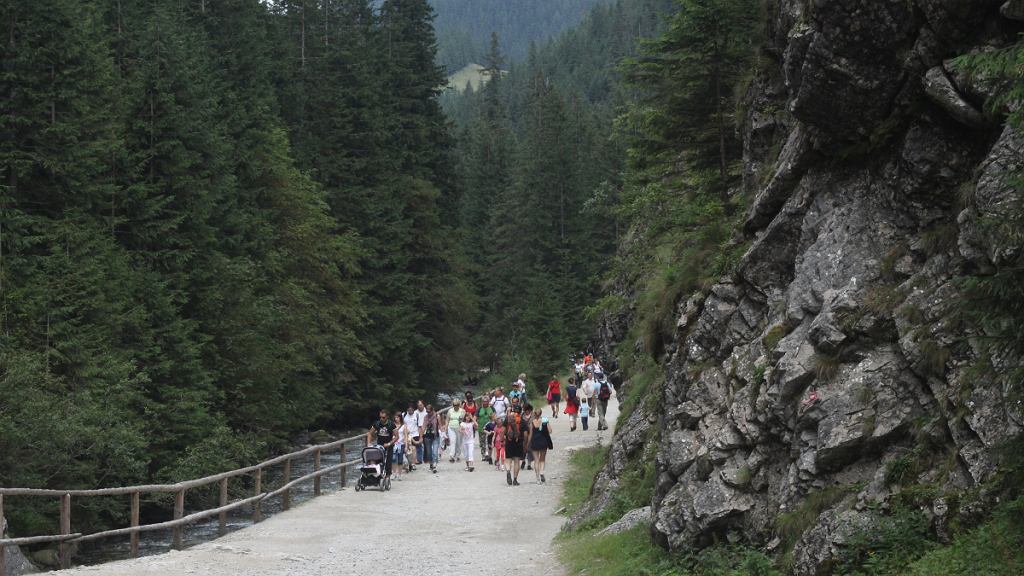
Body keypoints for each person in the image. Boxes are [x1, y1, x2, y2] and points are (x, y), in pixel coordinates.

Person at [366, 409, 397, 477]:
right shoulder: (377, 423)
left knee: (388, 461)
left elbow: (397, 436)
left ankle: (388, 476)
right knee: (377, 460)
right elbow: (369, 433)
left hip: (389, 445)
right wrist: (369, 443)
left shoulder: (391, 424)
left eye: (383, 417)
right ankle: (377, 474)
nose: (381, 419)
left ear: (387, 417)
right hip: (379, 445)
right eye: (380, 417)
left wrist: (389, 443)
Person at [529, 412, 553, 484]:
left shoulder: (532, 422)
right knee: (542, 459)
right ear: (541, 413)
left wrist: (527, 443)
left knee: (536, 460)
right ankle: (542, 472)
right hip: (543, 441)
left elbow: (530, 434)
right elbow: (550, 431)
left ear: (534, 414)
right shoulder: (545, 420)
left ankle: (537, 479)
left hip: (535, 442)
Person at [503, 413, 524, 486]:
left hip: (509, 441)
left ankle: (508, 471)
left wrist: (502, 439)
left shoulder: (507, 419)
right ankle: (515, 480)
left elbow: (504, 430)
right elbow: (526, 433)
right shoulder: (521, 420)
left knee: (508, 459)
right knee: (517, 461)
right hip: (518, 442)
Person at [447, 399, 466, 463]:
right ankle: (451, 456)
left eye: (457, 405)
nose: (456, 406)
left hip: (459, 428)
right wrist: (446, 427)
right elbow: (447, 419)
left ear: (459, 405)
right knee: (452, 441)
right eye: (454, 405)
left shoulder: (462, 411)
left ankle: (458, 455)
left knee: (458, 442)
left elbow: (462, 419)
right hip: (451, 427)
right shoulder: (450, 411)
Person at [477, 396, 496, 464]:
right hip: (481, 427)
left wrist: (494, 423)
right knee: (482, 442)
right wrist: (476, 424)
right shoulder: (479, 408)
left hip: (490, 427)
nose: (485, 403)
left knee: (489, 442)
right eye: (483, 401)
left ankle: (488, 454)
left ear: (488, 402)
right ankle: (483, 455)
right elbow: (475, 417)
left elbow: (494, 416)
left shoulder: (491, 408)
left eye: (486, 401)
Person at [402, 403, 421, 469]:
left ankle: (413, 463)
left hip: (415, 434)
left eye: (411, 410)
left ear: (413, 409)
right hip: (406, 434)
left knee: (414, 449)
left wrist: (420, 436)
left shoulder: (416, 415)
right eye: (409, 410)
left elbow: (419, 426)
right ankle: (408, 463)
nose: (410, 411)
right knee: (407, 449)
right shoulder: (403, 415)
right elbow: (402, 425)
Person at [423, 404, 439, 472]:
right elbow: (423, 426)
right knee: (429, 453)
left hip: (435, 436)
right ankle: (431, 464)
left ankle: (434, 465)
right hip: (427, 436)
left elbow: (440, 425)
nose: (428, 413)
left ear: (432, 410)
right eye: (427, 411)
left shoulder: (437, 416)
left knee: (435, 452)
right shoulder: (425, 417)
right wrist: (421, 436)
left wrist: (444, 433)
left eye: (429, 411)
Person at [392, 413, 406, 480]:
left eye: (397, 417)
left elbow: (405, 436)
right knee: (393, 459)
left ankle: (399, 474)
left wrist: (406, 446)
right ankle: (394, 473)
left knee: (400, 460)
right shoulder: (392, 425)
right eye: (395, 417)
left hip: (401, 444)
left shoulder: (404, 426)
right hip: (394, 444)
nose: (396, 419)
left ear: (400, 418)